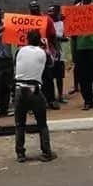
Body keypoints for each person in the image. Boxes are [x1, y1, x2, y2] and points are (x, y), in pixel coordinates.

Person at [13, 30, 56, 163]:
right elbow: (51, 63)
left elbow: (16, 64)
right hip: (35, 90)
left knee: (20, 124)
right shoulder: (42, 53)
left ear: (27, 39)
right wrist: (46, 47)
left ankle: (20, 154)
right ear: (39, 40)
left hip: (19, 89)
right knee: (42, 124)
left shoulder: (19, 51)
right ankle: (46, 152)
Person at [29, 0, 59, 109]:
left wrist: (56, 50)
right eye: (32, 6)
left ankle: (51, 100)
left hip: (45, 52)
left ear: (39, 7)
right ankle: (35, 103)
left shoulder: (47, 19)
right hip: (30, 54)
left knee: (48, 77)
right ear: (29, 9)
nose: (34, 8)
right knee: (33, 79)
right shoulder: (25, 21)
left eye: (36, 6)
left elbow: (53, 36)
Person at [47, 4, 70, 104]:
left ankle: (60, 96)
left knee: (60, 77)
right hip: (49, 54)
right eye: (48, 11)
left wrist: (57, 38)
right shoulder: (46, 23)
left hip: (60, 54)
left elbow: (66, 38)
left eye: (52, 11)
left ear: (57, 12)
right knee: (50, 77)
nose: (49, 13)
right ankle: (51, 97)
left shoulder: (62, 24)